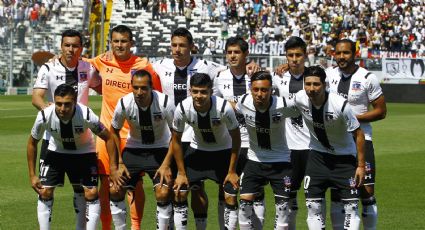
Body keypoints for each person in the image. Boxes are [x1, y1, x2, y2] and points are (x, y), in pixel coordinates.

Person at [153, 28, 259, 229]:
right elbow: (137, 68)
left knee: (222, 190)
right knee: (180, 189)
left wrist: (250, 64)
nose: (177, 49)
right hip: (178, 138)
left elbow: (231, 68)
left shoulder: (207, 67)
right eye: (174, 45)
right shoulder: (159, 65)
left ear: (191, 47)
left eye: (182, 45)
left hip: (207, 137)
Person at [86, 25, 162, 230]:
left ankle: (135, 226)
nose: (119, 45)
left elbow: (158, 97)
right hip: (107, 135)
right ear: (111, 42)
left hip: (133, 136)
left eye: (124, 41)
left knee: (133, 184)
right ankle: (107, 227)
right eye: (116, 41)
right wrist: (55, 59)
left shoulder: (144, 66)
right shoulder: (102, 60)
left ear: (132, 43)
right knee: (107, 184)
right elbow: (77, 63)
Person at [32, 29, 101, 230]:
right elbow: (37, 96)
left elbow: (102, 86)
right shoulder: (48, 68)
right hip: (53, 138)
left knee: (83, 191)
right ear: (61, 46)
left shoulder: (88, 68)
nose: (70, 49)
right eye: (67, 45)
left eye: (75, 46)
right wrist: (51, 113)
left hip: (82, 138)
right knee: (45, 190)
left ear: (81, 48)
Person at [27, 84, 115, 230]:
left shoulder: (86, 115)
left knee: (90, 192)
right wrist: (32, 175)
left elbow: (109, 137)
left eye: (67, 104)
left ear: (75, 102)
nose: (62, 109)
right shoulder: (44, 115)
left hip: (83, 152)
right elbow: (32, 143)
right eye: (59, 104)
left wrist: (113, 167)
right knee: (45, 191)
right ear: (54, 101)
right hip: (56, 152)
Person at [293, 66, 366, 230]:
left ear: (325, 85)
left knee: (351, 208)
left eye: (316, 84)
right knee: (313, 207)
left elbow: (359, 134)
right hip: (317, 158)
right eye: (308, 84)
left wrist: (361, 166)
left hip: (344, 160)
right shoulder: (299, 99)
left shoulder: (340, 105)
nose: (311, 89)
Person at [326, 39, 386, 230]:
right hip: (335, 142)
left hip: (362, 140)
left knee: (367, 192)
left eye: (346, 53)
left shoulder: (368, 77)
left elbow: (381, 111)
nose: (341, 57)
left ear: (355, 54)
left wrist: (353, 118)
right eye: (338, 53)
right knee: (337, 193)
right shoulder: (327, 75)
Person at [170, 73, 241, 230]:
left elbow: (236, 138)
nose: (199, 96)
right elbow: (175, 140)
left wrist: (232, 170)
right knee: (180, 192)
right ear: (190, 91)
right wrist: (181, 173)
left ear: (211, 91)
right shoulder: (182, 108)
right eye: (195, 91)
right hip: (198, 152)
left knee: (230, 195)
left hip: (223, 152)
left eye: (203, 92)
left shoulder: (224, 108)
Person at [108, 70, 175, 230]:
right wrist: (118, 163)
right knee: (115, 189)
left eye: (144, 88)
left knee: (163, 193)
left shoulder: (165, 102)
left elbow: (177, 135)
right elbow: (113, 131)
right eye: (136, 87)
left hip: (161, 150)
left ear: (151, 87)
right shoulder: (124, 103)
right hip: (134, 149)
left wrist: (166, 164)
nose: (139, 92)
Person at [235, 71, 299, 230]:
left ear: (271, 90)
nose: (259, 94)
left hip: (281, 162)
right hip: (254, 161)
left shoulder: (284, 104)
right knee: (244, 207)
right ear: (250, 89)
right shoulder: (243, 101)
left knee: (283, 209)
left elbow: (304, 110)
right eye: (256, 89)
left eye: (264, 90)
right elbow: (229, 106)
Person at [213, 36, 265, 229]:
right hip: (228, 144)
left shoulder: (257, 76)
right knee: (227, 191)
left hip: (254, 144)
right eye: (229, 52)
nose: (232, 56)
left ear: (246, 55)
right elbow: (214, 105)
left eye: (237, 52)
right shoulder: (219, 77)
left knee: (256, 193)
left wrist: (237, 105)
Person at [272, 36, 311, 229]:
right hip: (289, 149)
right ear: (286, 57)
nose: (294, 59)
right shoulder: (278, 78)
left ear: (305, 55)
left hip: (313, 147)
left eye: (298, 55)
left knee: (314, 201)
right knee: (288, 199)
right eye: (290, 55)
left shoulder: (316, 78)